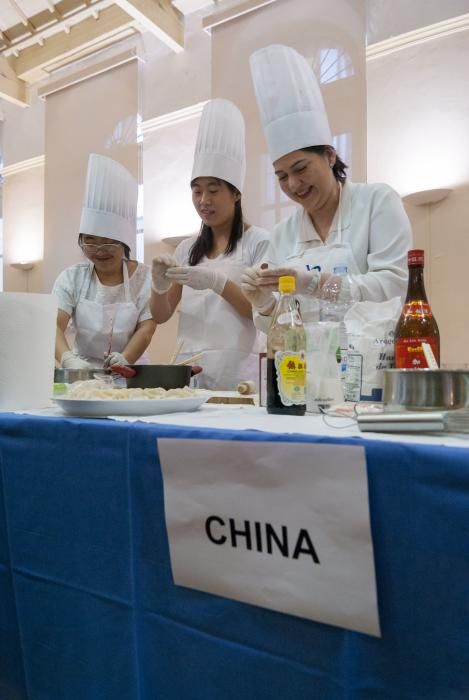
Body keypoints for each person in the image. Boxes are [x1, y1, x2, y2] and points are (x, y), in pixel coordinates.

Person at [241, 44, 412, 330]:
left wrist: (318, 285)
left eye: (301, 168)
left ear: (330, 156)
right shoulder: (283, 235)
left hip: (371, 365)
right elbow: (278, 327)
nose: (293, 184)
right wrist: (263, 302)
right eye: (281, 176)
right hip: (305, 369)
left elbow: (394, 287)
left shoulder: (377, 203)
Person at [150, 99, 272, 390]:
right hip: (189, 370)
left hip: (239, 373)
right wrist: (157, 287)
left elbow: (259, 311)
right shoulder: (186, 249)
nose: (204, 201)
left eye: (214, 190)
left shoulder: (260, 242)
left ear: (236, 193)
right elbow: (160, 315)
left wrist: (217, 282)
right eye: (197, 191)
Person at [53, 153, 156, 369]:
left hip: (132, 371)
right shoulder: (73, 277)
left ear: (125, 242)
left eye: (109, 243)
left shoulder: (144, 277)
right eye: (90, 242)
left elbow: (147, 327)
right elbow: (54, 325)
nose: (99, 251)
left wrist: (125, 358)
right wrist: (68, 359)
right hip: (83, 373)